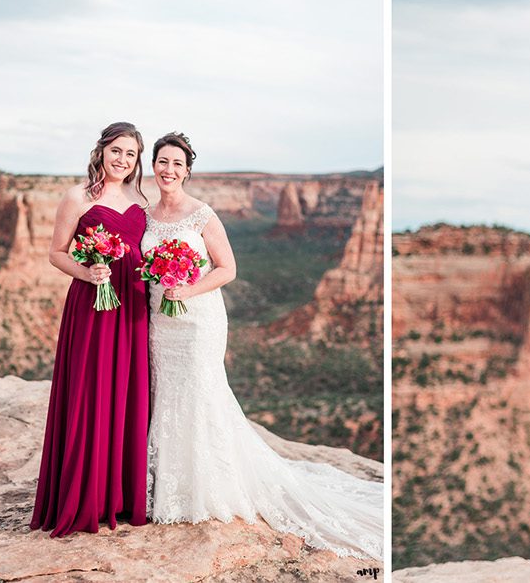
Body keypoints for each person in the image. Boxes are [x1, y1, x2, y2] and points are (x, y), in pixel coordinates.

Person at [142, 132, 382, 561]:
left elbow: (228, 269)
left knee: (199, 392)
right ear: (154, 165)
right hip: (159, 321)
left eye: (177, 164)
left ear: (188, 170)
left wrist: (187, 289)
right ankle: (167, 485)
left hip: (197, 320)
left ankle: (207, 486)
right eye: (162, 161)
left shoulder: (202, 214)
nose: (168, 170)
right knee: (166, 393)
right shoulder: (145, 215)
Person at [32, 121, 151, 536]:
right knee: (92, 391)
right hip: (94, 304)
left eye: (131, 154)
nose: (122, 160)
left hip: (133, 306)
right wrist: (87, 272)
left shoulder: (141, 198)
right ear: (101, 151)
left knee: (126, 394)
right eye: (116, 150)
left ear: (137, 160)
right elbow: (55, 253)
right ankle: (83, 498)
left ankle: (117, 497)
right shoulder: (77, 197)